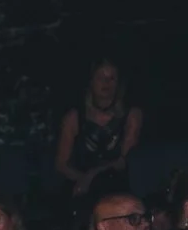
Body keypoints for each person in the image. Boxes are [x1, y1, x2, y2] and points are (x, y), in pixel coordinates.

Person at [53, 59, 143, 197]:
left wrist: (92, 176)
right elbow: (61, 164)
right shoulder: (74, 117)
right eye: (101, 78)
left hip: (117, 187)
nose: (106, 83)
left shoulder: (131, 115)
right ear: (91, 82)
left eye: (112, 78)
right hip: (80, 187)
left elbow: (124, 161)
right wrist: (83, 179)